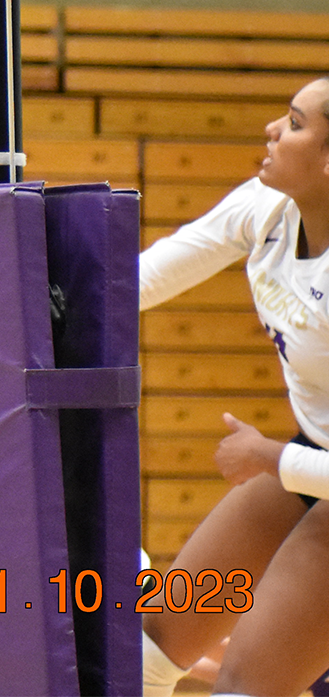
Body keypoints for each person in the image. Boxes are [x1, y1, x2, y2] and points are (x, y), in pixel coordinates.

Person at [137, 77, 329, 697]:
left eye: (295, 123)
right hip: (312, 459)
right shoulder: (267, 206)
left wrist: (269, 457)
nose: (272, 129)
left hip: (303, 466)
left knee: (245, 688)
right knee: (152, 648)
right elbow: (136, 283)